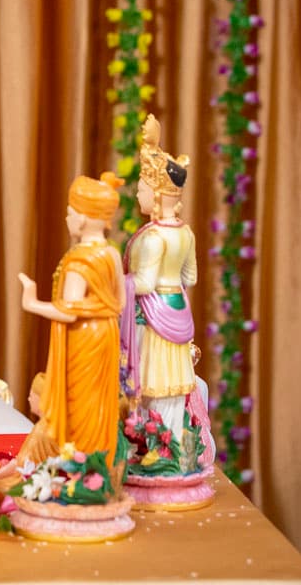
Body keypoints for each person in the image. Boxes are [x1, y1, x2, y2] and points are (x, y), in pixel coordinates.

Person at [18, 173, 124, 463]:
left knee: (81, 404)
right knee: (99, 402)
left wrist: (32, 302)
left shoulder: (79, 260)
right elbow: (120, 302)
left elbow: (68, 311)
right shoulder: (112, 254)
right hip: (107, 334)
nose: (67, 218)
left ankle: (81, 469)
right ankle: (98, 466)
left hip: (84, 339)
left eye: (70, 213)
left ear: (84, 218)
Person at [122, 114, 199, 441]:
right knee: (170, 388)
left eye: (141, 188)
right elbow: (190, 278)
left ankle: (159, 448)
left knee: (153, 385)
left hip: (153, 321)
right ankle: (168, 446)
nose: (137, 194)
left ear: (155, 195)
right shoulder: (185, 233)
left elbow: (143, 285)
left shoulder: (153, 238)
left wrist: (116, 279)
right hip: (177, 311)